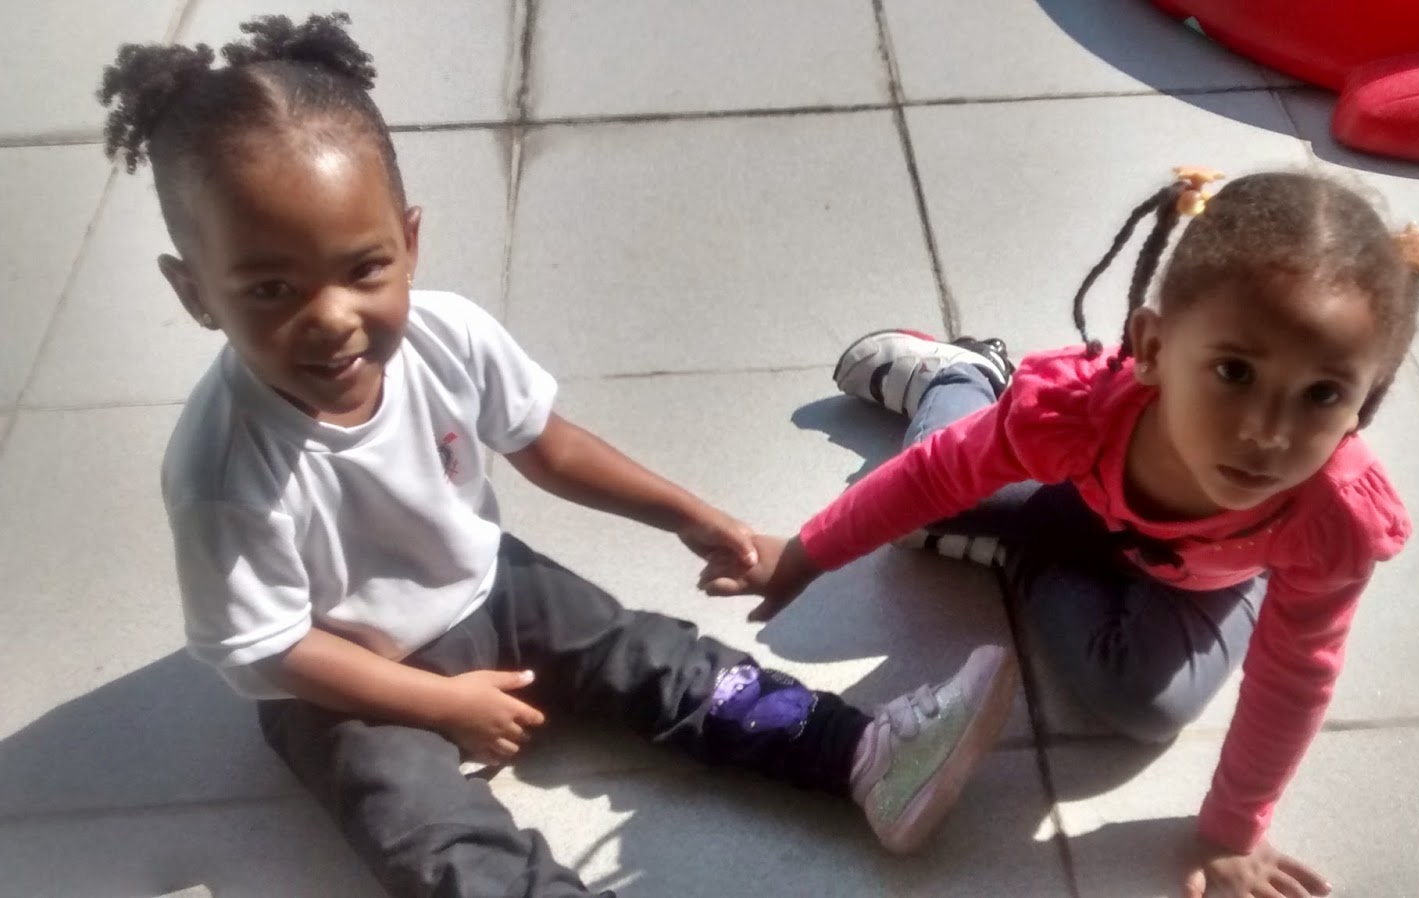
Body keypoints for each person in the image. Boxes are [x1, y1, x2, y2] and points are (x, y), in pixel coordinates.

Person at [101, 14, 1019, 898]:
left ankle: (862, 755)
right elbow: (276, 651)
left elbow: (549, 446)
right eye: (270, 288)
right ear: (196, 292)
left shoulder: (447, 336)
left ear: (408, 243)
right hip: (344, 682)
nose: (331, 317)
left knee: (647, 652)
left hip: (488, 586)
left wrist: (688, 515)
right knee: (421, 827)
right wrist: (440, 706)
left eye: (363, 268)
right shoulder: (222, 471)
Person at [704, 167, 1419, 898]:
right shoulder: (1082, 410)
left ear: (1365, 401)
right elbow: (934, 473)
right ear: (1152, 348)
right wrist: (805, 553)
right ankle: (958, 380)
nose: (1266, 433)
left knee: (1146, 707)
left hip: (1204, 578)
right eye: (1234, 372)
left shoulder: (1331, 519)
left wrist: (1233, 830)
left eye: (1322, 394)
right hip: (1074, 499)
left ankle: (1017, 551)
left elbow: (1295, 677)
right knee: (918, 499)